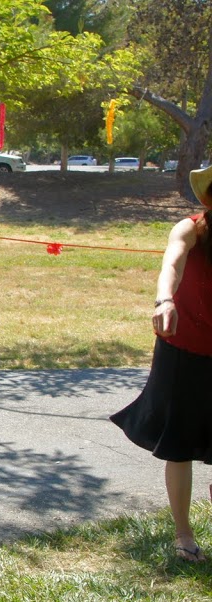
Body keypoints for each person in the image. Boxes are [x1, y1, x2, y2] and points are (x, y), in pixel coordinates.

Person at [111, 164, 212, 563]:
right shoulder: (191, 228)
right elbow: (172, 262)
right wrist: (164, 299)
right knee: (180, 443)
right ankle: (183, 534)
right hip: (183, 348)